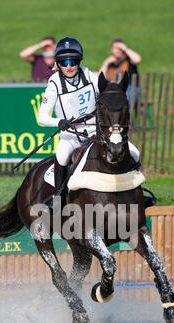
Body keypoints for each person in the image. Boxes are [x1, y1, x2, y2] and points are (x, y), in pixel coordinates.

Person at [38, 37, 141, 204]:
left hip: (96, 129)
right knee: (62, 156)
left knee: (135, 153)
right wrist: (59, 122)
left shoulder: (89, 75)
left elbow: (105, 94)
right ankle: (58, 200)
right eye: (64, 62)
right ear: (58, 63)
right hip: (72, 133)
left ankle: (137, 193)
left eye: (73, 61)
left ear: (79, 61)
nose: (69, 66)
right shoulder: (54, 84)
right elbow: (41, 118)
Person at [100, 39, 142, 106]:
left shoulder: (128, 59)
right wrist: (106, 63)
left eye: (120, 48)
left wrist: (125, 49)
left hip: (130, 87)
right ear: (111, 49)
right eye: (115, 48)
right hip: (113, 88)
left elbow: (137, 59)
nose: (118, 50)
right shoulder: (110, 62)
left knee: (124, 99)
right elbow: (100, 77)